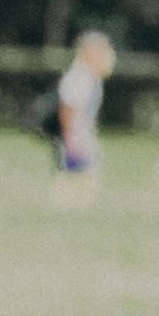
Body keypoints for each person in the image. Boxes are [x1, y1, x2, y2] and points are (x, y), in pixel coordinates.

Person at [52, 25, 116, 205]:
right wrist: (70, 137)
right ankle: (68, 205)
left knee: (83, 173)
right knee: (76, 174)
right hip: (75, 135)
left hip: (82, 134)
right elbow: (67, 108)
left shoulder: (90, 76)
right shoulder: (80, 76)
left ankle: (74, 206)